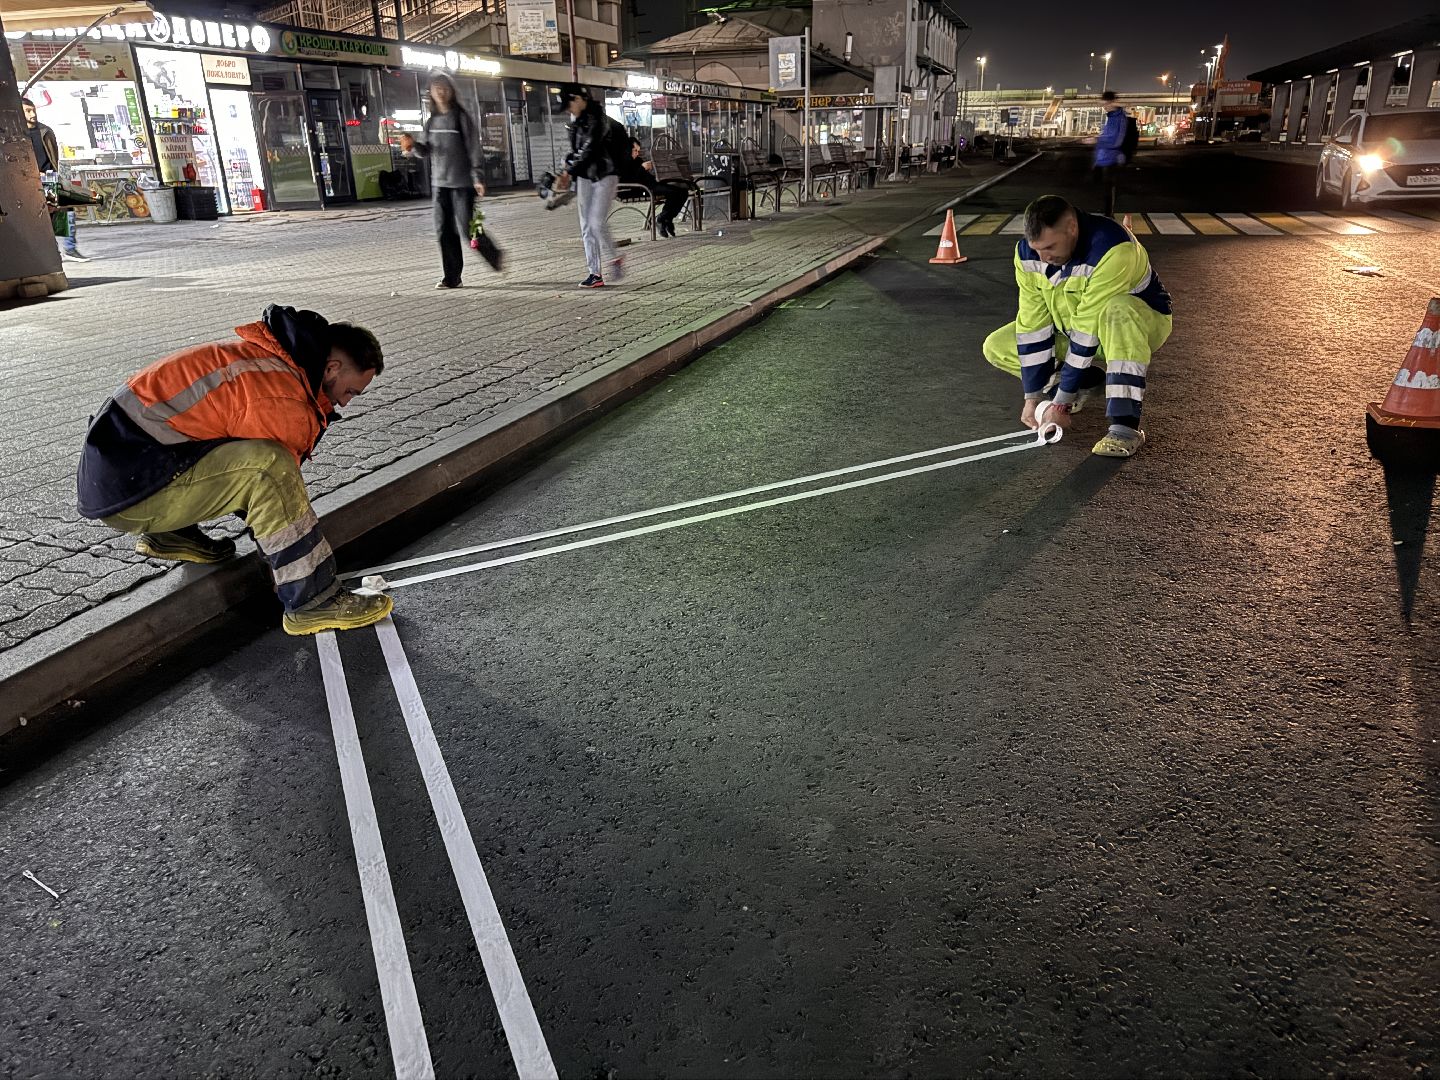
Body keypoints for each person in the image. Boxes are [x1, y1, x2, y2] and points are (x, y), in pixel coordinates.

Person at [75, 305, 395, 635]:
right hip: (134, 491)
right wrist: (289, 566)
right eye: (350, 391)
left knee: (228, 451)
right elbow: (274, 494)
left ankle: (171, 533)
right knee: (271, 467)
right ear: (331, 368)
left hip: (121, 477)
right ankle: (313, 601)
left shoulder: (267, 362)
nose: (345, 403)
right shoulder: (283, 398)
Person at [981, 194, 1172, 458]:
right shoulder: (1027, 255)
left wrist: (1060, 404)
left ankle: (1125, 427)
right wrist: (1032, 397)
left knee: (1118, 310)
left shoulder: (1113, 248)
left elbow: (1087, 329)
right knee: (998, 345)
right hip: (1073, 329)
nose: (1043, 257)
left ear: (1072, 227)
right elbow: (1032, 325)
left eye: (1050, 246)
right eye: (1036, 248)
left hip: (1135, 326)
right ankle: (1083, 383)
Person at [399, 73, 486, 290]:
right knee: (444, 231)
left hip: (462, 184)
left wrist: (477, 177)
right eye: (437, 88)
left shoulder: (461, 118)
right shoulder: (432, 121)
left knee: (468, 228)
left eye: (445, 87)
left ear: (452, 91)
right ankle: (452, 277)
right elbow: (425, 151)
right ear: (431, 93)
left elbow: (473, 148)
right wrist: (413, 146)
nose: (441, 92)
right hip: (440, 184)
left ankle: (494, 255)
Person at [553, 84, 622, 288]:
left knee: (596, 222)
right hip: (584, 176)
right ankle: (595, 273)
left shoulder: (598, 119)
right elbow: (577, 151)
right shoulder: (576, 121)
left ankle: (614, 258)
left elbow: (590, 148)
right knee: (586, 225)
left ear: (579, 99)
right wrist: (567, 165)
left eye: (569, 105)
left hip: (604, 175)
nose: (569, 110)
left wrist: (569, 171)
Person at [23, 95, 90, 261]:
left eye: (33, 110)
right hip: (29, 181)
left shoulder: (45, 131)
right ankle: (51, 252)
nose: (33, 114)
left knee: (65, 211)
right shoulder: (17, 134)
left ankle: (69, 249)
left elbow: (53, 156)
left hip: (49, 177)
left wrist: (55, 174)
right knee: (39, 216)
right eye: (28, 111)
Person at [617, 136, 688, 238]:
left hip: (650, 185)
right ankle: (661, 219)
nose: (637, 153)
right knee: (673, 192)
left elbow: (645, 177)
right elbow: (627, 180)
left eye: (638, 151)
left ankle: (666, 219)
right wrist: (642, 168)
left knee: (683, 191)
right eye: (635, 151)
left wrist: (652, 169)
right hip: (637, 189)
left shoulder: (637, 160)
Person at [1092, 90, 1128, 217]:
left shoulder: (1119, 118)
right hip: (1103, 159)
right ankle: (1107, 214)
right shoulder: (1112, 117)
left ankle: (1109, 216)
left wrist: (1097, 140)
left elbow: (1116, 141)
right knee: (1103, 190)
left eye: (1105, 104)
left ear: (1112, 102)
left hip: (1111, 159)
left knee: (1108, 190)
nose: (1104, 107)